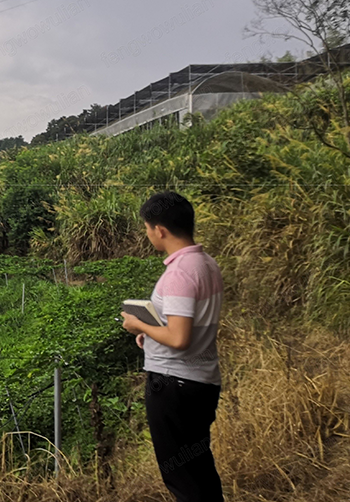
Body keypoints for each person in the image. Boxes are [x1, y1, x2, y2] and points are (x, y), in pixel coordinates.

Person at [120, 192, 225, 502]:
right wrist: (152, 334)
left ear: (160, 230)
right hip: (201, 381)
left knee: (182, 477)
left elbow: (179, 339)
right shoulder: (206, 263)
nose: (148, 233)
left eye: (147, 228)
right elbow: (187, 326)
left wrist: (138, 325)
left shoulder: (179, 274)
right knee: (199, 467)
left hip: (175, 385)